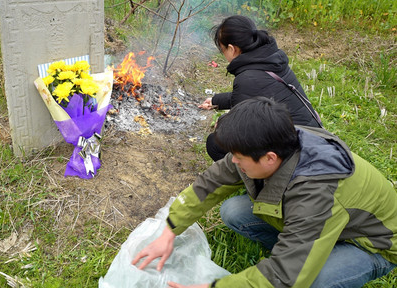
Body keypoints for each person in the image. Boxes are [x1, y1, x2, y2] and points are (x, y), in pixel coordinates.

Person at [132, 97, 397, 288]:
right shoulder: (270, 140)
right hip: (324, 224)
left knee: (314, 279)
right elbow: (211, 182)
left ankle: (311, 254)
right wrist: (169, 230)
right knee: (234, 211)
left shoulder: (316, 194)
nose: (233, 161)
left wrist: (214, 287)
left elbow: (285, 278)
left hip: (370, 244)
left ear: (269, 159)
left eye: (238, 157)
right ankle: (303, 248)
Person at [199, 15, 321, 161]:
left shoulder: (247, 78)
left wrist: (224, 123)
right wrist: (216, 100)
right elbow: (255, 95)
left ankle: (260, 181)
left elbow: (240, 128)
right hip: (313, 140)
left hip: (296, 154)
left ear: (232, 49)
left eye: (222, 49)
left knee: (215, 143)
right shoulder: (271, 58)